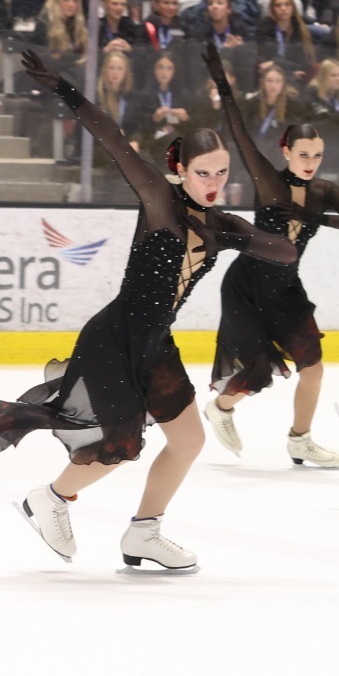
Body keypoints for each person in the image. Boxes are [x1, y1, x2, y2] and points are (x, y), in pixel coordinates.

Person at [5, 53, 297, 573]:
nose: (213, 181)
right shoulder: (160, 201)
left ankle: (144, 532)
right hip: (116, 337)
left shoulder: (221, 222)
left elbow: (286, 253)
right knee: (118, 445)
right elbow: (114, 142)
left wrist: (246, 233)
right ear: (179, 168)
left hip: (155, 341)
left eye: (222, 173)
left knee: (188, 440)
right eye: (202, 172)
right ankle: (50, 497)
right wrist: (67, 91)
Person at [196, 45, 339, 468]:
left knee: (313, 367)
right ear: (287, 152)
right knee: (254, 374)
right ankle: (220, 409)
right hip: (247, 286)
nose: (310, 162)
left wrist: (319, 217)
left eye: (317, 155)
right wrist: (223, 83)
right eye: (303, 154)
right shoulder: (269, 181)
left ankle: (300, 439)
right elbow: (238, 135)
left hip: (287, 287)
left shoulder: (324, 191)